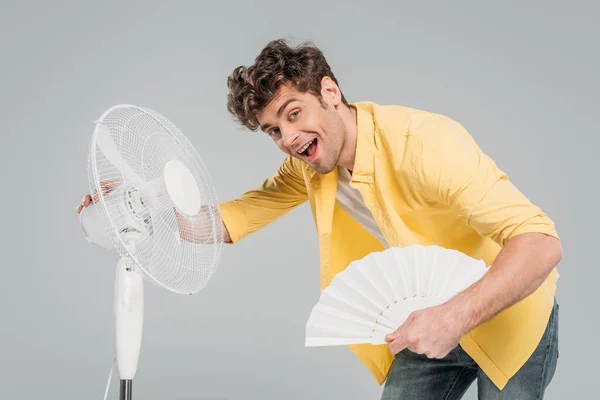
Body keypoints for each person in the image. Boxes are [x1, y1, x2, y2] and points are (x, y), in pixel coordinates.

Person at [76, 39, 562, 399]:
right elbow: (225, 223)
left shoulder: (426, 145)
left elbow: (541, 244)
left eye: (293, 114)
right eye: (272, 130)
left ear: (330, 91)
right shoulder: (308, 168)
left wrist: (454, 316)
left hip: (507, 305)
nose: (287, 138)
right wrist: (142, 204)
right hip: (428, 315)